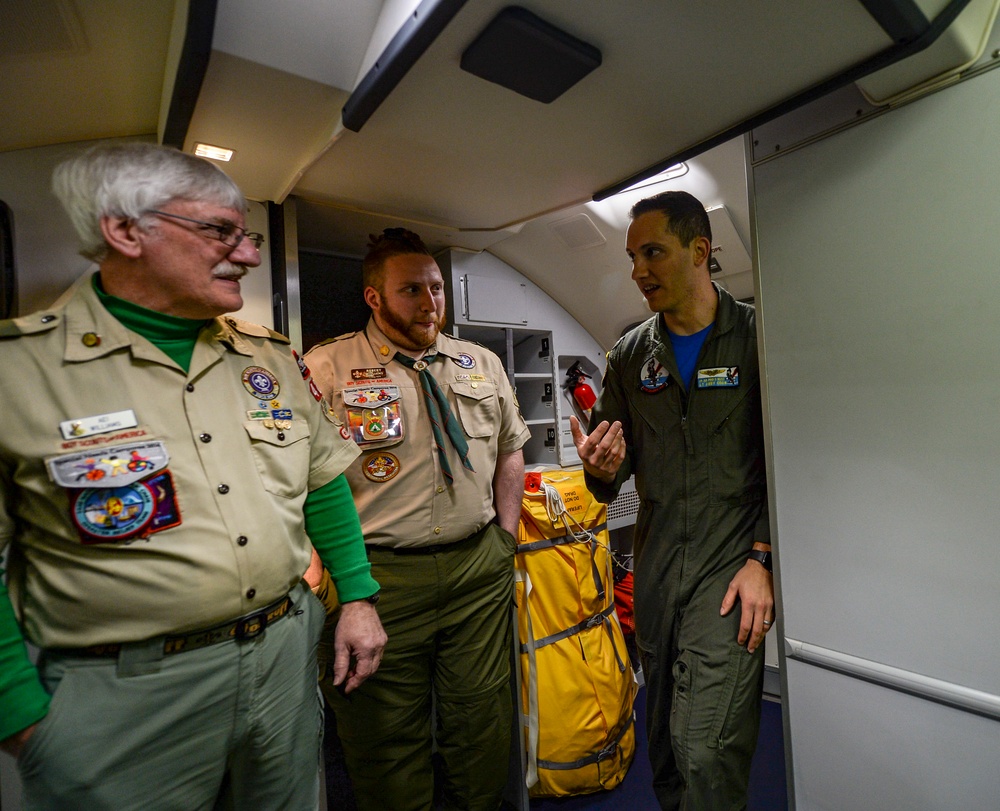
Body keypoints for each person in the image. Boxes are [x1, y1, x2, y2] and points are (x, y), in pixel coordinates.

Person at [0, 141, 386, 810]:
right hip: (123, 696)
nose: (249, 254)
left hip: (283, 661)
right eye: (219, 231)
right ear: (125, 230)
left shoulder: (266, 359)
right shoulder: (20, 370)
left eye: (249, 235)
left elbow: (320, 481)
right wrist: (21, 716)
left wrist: (356, 595)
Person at [304, 228, 529, 811]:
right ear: (374, 298)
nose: (430, 302)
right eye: (412, 290)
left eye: (437, 288)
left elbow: (511, 449)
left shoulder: (479, 363)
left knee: (481, 723)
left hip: (477, 567)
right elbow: (300, 481)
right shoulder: (326, 368)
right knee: (384, 739)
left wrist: (504, 540)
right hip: (378, 578)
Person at [570, 191, 773, 810]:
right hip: (658, 577)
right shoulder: (630, 358)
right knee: (662, 750)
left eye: (653, 252)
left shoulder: (757, 341)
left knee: (706, 751)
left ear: (700, 252)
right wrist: (600, 470)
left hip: (729, 571)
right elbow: (610, 469)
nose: (638, 272)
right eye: (633, 257)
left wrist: (762, 557)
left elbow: (788, 466)